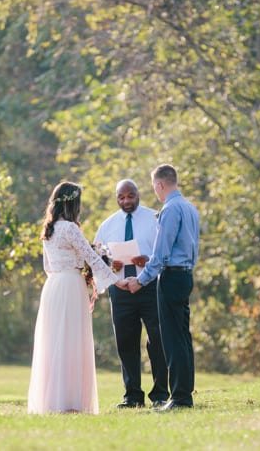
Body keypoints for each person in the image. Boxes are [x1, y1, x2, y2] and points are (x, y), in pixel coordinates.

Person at [27, 182, 121, 414]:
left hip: (53, 287)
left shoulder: (48, 230)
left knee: (55, 341)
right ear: (72, 203)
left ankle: (53, 401)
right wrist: (118, 281)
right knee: (72, 341)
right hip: (70, 286)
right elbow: (92, 257)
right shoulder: (70, 228)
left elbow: (47, 266)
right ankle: (70, 402)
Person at [119, 164, 200, 411]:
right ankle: (185, 393)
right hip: (186, 275)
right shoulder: (189, 207)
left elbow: (160, 253)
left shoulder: (170, 209)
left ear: (160, 185)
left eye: (155, 187)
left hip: (171, 277)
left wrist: (141, 280)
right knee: (183, 338)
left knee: (173, 340)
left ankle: (180, 398)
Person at [94, 179, 169, 409]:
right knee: (125, 342)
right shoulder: (107, 225)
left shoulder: (155, 218)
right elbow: (97, 258)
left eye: (130, 196)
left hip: (149, 286)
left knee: (157, 340)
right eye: (121, 197)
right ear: (116, 198)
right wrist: (111, 265)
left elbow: (165, 251)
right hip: (121, 290)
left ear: (139, 194)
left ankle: (160, 395)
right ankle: (132, 395)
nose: (126, 201)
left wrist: (146, 261)